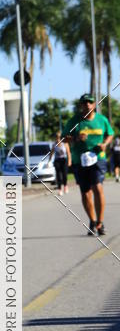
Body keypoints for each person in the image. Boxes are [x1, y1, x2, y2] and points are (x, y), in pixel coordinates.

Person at [62, 93, 114, 235]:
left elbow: (110, 134)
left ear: (94, 104)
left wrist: (104, 144)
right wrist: (76, 138)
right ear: (80, 105)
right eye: (84, 103)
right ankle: (92, 221)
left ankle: (100, 223)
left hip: (98, 158)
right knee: (86, 193)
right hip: (80, 160)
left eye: (90, 102)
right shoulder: (74, 121)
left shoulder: (101, 120)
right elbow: (64, 139)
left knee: (97, 187)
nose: (87, 105)